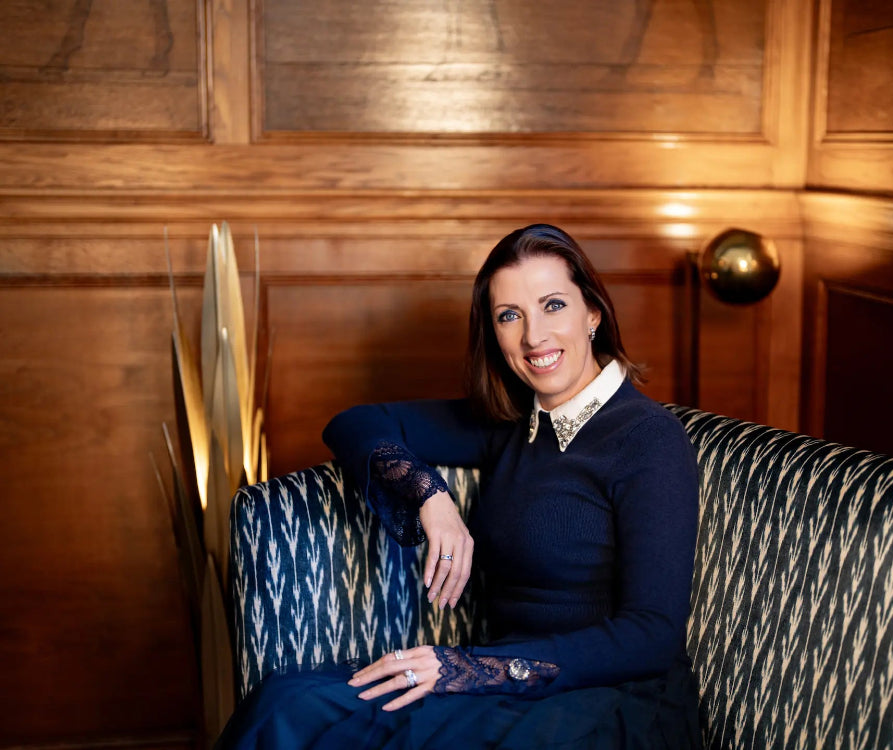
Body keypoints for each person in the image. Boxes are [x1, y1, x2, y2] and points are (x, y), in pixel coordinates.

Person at [217, 224, 702, 749]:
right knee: (285, 703)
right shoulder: (513, 422)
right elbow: (353, 423)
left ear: (593, 314)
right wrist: (431, 495)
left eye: (553, 305)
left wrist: (467, 669)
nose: (534, 336)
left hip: (606, 703)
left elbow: (651, 636)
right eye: (509, 316)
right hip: (499, 687)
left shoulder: (648, 437)